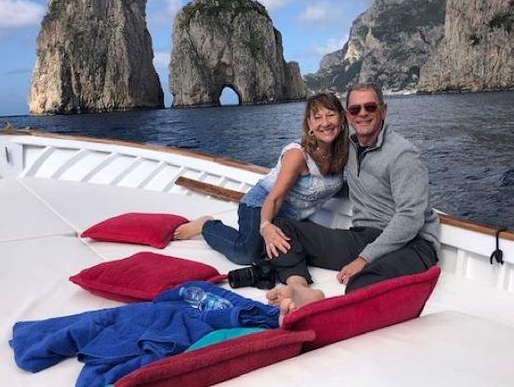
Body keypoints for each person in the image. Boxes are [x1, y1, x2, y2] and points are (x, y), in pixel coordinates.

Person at [265, 82, 440, 313]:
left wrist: (364, 259)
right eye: (355, 109)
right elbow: (345, 178)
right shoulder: (350, 147)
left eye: (370, 107)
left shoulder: (403, 155)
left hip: (413, 243)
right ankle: (300, 288)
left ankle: (339, 319)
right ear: (348, 116)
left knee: (363, 282)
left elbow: (410, 218)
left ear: (383, 111)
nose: (363, 114)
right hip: (365, 235)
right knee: (281, 228)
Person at [173, 92, 349, 265]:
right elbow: (275, 198)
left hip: (293, 218)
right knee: (247, 253)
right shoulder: (297, 155)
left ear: (341, 118)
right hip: (261, 204)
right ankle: (206, 226)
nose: (325, 123)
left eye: (331, 115)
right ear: (309, 124)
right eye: (317, 117)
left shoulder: (345, 151)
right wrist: (265, 226)